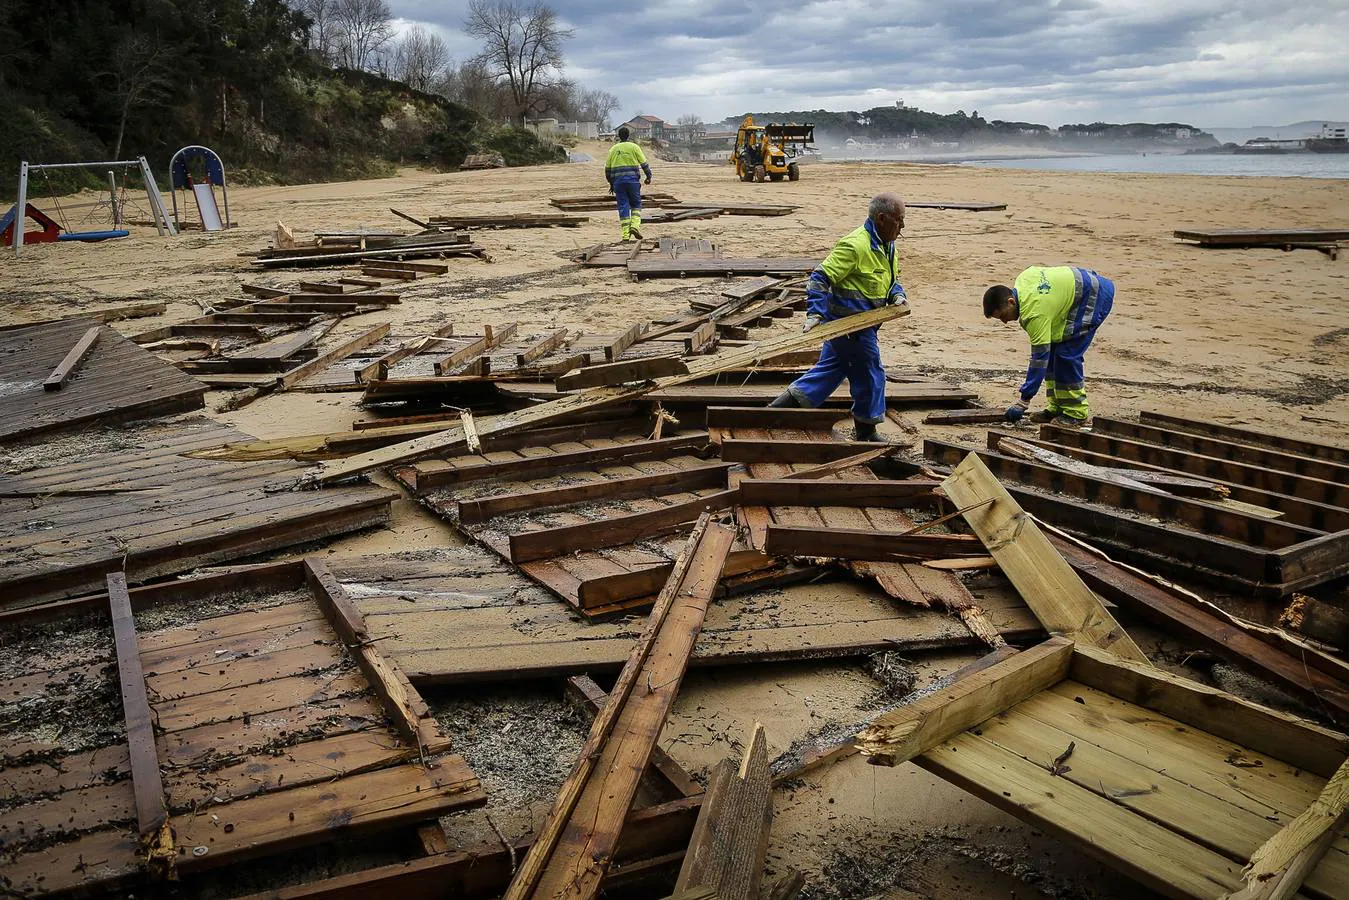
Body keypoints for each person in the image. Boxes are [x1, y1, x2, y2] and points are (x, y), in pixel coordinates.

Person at [767, 193, 908, 442]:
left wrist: (897, 295)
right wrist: (815, 313)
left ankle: (773, 415)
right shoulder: (855, 245)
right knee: (871, 374)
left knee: (829, 372)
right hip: (849, 327)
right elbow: (819, 278)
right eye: (899, 220)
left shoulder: (888, 247)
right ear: (882, 219)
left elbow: (890, 280)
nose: (902, 226)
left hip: (866, 324)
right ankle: (866, 431)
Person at [983, 265, 1115, 426]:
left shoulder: (1034, 314)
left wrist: (1024, 400)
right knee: (1054, 354)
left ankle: (1076, 412)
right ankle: (1057, 406)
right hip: (1076, 294)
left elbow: (1039, 360)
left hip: (1093, 296)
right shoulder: (1023, 281)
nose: (1004, 321)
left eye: (1003, 315)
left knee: (1066, 355)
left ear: (1011, 302)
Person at [604, 126, 652, 241]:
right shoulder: (634, 147)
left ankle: (625, 235)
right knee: (636, 205)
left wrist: (611, 183)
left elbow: (607, 170)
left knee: (623, 206)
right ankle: (634, 226)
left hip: (618, 183)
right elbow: (644, 164)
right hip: (632, 181)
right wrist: (648, 176)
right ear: (628, 136)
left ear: (618, 136)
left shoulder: (613, 149)